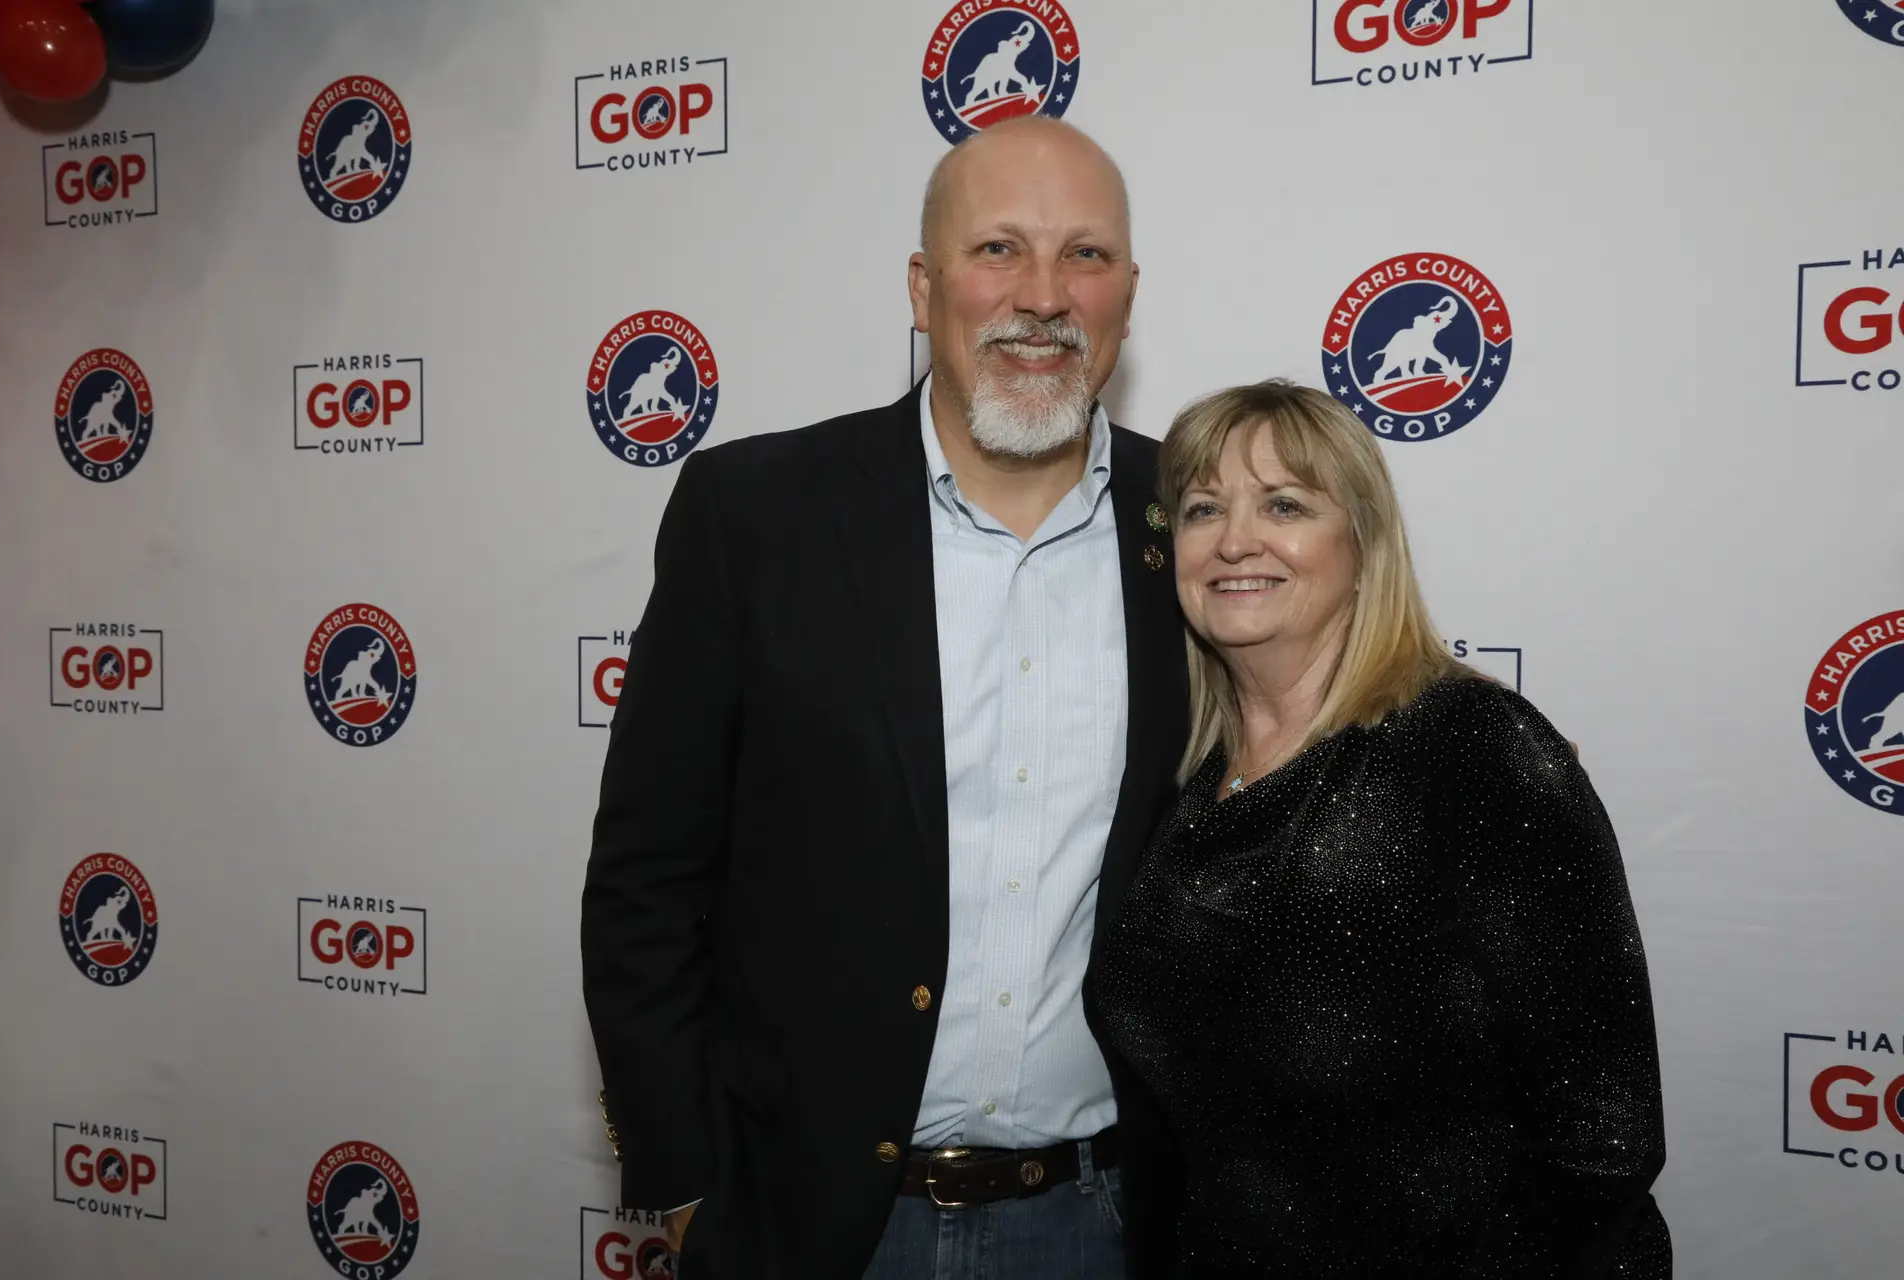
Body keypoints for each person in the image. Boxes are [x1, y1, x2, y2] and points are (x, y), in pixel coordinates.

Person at [581, 115, 1189, 1280]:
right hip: (810, 1226)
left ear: (1126, 293)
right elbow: (646, 881)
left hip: (1106, 1221)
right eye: (998, 248)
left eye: (1086, 255)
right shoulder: (754, 515)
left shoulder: (1201, 524)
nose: (1044, 295)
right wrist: (688, 1184)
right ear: (923, 287)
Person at [1089, 381, 1672, 1277]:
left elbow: (1606, 1137)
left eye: (1284, 505)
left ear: (1364, 547)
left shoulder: (1467, 747)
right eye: (1204, 509)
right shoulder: (1194, 781)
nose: (1235, 540)